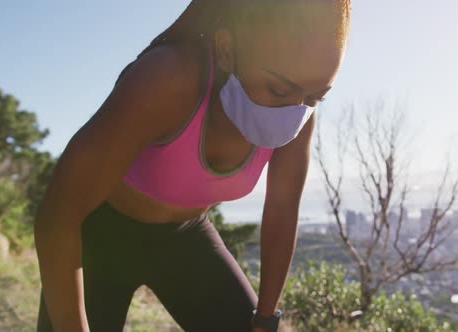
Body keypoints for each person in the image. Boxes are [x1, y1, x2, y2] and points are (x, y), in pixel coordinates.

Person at [34, 0, 350, 331]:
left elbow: (282, 213)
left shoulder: (298, 115)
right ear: (227, 49)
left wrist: (266, 318)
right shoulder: (169, 78)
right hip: (100, 239)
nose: (294, 111)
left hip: (186, 239)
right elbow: (60, 213)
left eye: (316, 97)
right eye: (279, 89)